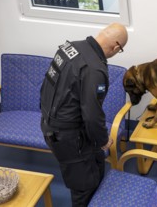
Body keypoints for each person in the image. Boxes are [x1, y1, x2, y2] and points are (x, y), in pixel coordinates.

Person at [40, 23, 128, 206]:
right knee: (85, 186)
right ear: (116, 46)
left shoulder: (70, 47)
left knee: (95, 168)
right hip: (69, 137)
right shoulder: (94, 70)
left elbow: (47, 83)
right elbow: (92, 115)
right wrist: (104, 140)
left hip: (50, 123)